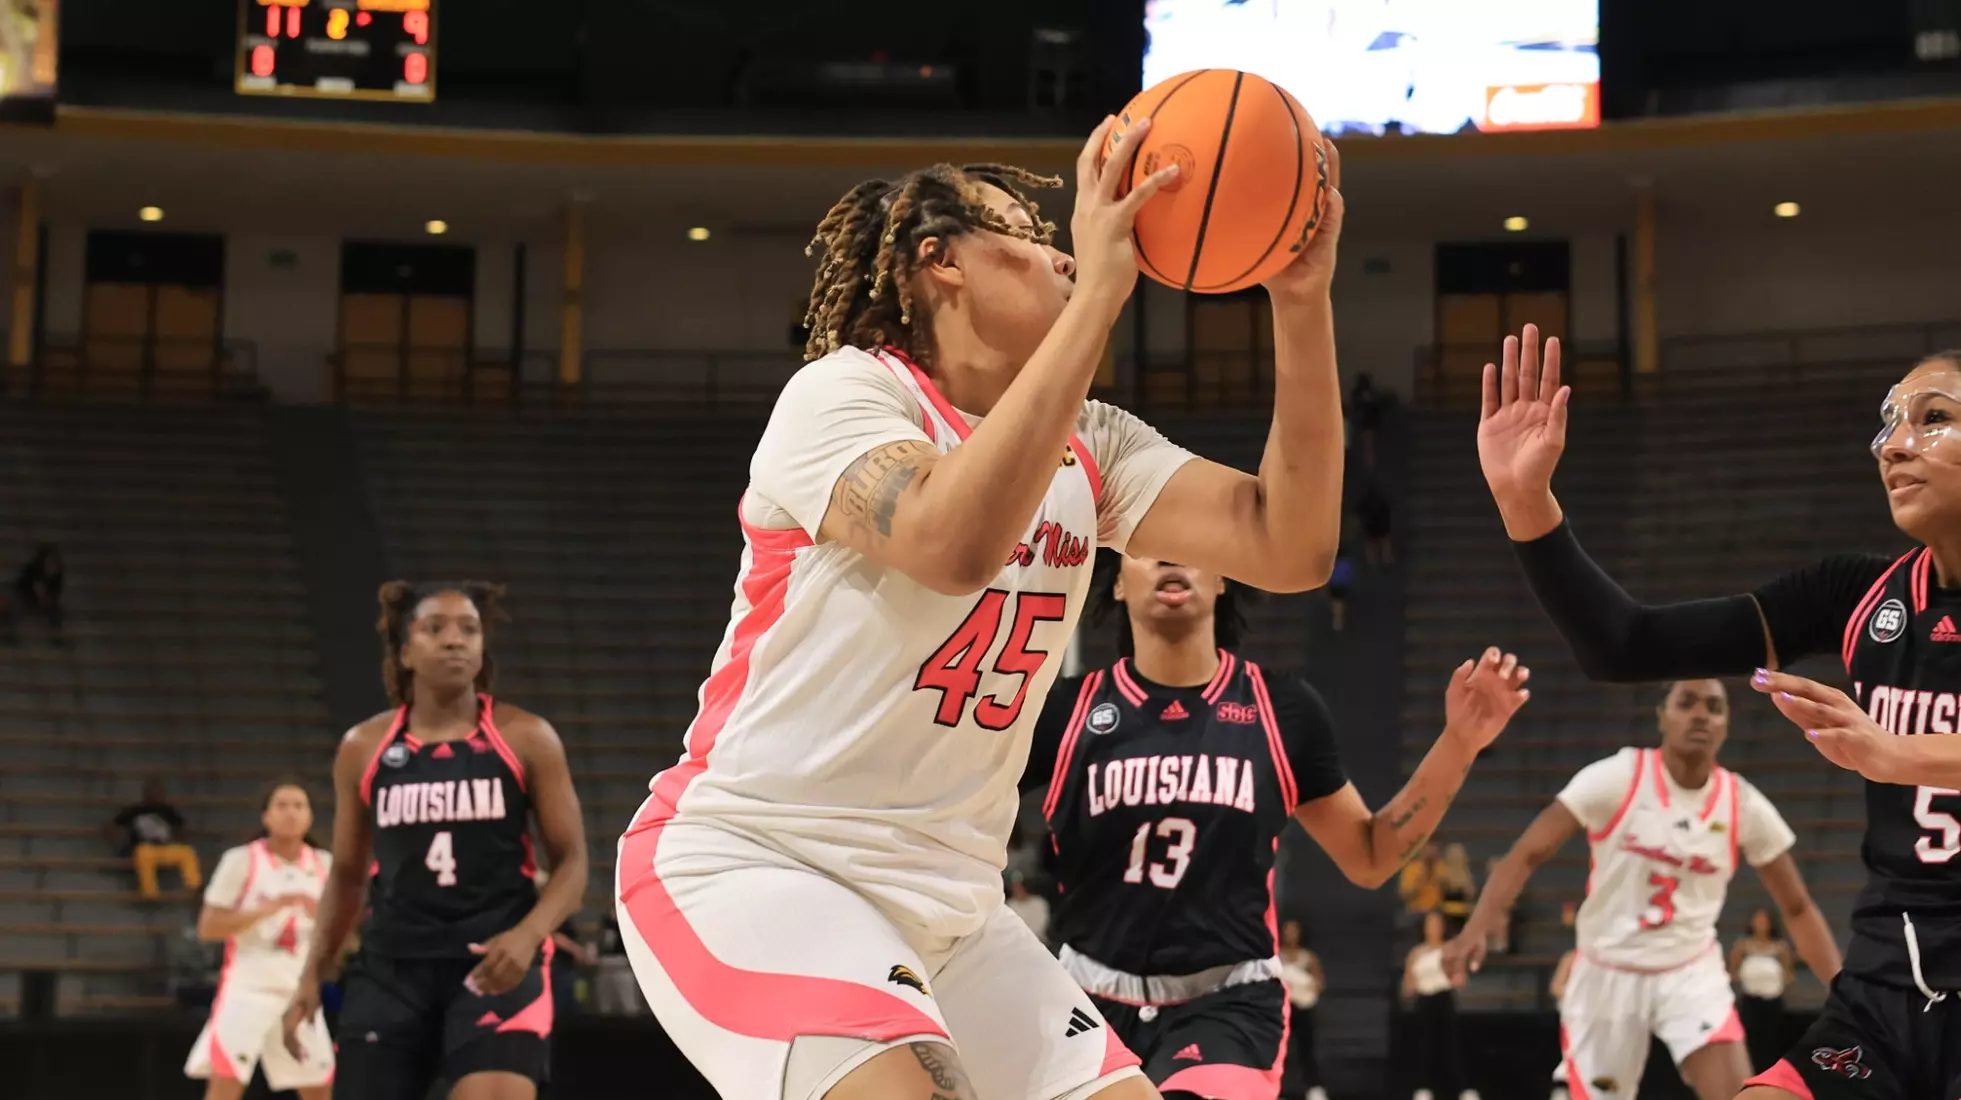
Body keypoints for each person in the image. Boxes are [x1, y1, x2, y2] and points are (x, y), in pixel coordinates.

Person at [615, 113, 1354, 1100]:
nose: (1062, 252)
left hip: (955, 909)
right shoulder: (842, 396)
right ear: (939, 262)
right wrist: (1099, 291)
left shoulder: (1095, 442)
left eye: (1065, 246)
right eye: (1029, 235)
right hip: (758, 865)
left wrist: (1298, 301)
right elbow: (951, 542)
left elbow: (1289, 542)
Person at [1470, 323, 1952, 1100]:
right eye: (1889, 422)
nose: (1893, 445)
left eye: (1931, 418)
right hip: (1886, 987)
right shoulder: (1860, 595)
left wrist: (1899, 753)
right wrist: (1525, 501)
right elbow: (1624, 645)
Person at [1026, 550, 1529, 1098]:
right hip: (1085, 997)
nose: (1173, 557)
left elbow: (1370, 855)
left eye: (1191, 544)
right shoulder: (1063, 712)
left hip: (1226, 1002)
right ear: (1117, 583)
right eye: (1149, 546)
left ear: (1221, 578)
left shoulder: (1279, 708)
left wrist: (1459, 743)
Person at [1443, 678, 1840, 1100]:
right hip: (1608, 969)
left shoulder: (1741, 802)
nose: (1701, 714)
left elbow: (1797, 907)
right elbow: (1526, 853)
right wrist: (1475, 928)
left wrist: (1845, 992)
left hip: (1690, 970)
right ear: (1662, 717)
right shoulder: (1619, 777)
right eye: (1687, 703)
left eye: (1714, 706)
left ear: (1726, 725)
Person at [281, 581, 588, 1100]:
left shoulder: (526, 737)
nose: (455, 641)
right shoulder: (363, 747)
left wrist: (529, 934)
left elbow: (574, 862)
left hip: (494, 962)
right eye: (435, 629)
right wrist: (313, 973)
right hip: (392, 969)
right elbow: (349, 874)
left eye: (469, 629)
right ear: (404, 653)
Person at [184, 781, 334, 1100]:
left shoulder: (324, 864)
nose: (291, 813)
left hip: (299, 991)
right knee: (226, 1082)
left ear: (310, 817)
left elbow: (344, 934)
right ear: (265, 816)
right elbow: (208, 926)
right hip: (247, 989)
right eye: (281, 805)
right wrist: (264, 911)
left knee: (319, 1087)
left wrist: (319, 913)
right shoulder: (241, 860)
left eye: (299, 805)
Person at [1403, 912, 1474, 1100]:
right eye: (1430, 924)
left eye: (1437, 923)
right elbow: (1408, 985)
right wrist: (1417, 986)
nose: (1433, 928)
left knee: (1452, 1046)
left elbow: (1461, 979)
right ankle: (1423, 1089)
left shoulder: (1450, 950)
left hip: (1444, 999)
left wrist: (1450, 976)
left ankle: (1464, 1089)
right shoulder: (1416, 953)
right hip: (1424, 1000)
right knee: (1423, 1046)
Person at [112, 778, 202, 898]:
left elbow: (181, 827)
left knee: (186, 852)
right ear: (145, 793)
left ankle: (194, 886)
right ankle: (150, 892)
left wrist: (178, 838)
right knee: (143, 853)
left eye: (159, 792)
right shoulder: (135, 810)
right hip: (146, 848)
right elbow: (113, 824)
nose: (156, 794)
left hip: (166, 848)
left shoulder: (168, 811)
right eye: (153, 791)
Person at [1731, 908, 1795, 1072]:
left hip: (1772, 1001)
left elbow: (1788, 974)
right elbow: (1733, 972)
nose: (1760, 924)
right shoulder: (1742, 946)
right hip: (1750, 1000)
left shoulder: (1780, 947)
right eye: (1757, 920)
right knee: (1750, 1042)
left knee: (1771, 1041)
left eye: (1763, 920)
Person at [1278, 920, 1327, 1100]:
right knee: (1277, 1051)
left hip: (1303, 1008)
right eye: (1287, 930)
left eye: (1294, 931)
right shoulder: (1275, 957)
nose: (1290, 934)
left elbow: (1319, 983)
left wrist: (1306, 984)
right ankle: (1274, 1089)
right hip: (1281, 1010)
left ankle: (1314, 1089)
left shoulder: (1308, 957)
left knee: (1306, 1050)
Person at [5, 542, 63, 643]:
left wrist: (47, 598)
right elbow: (21, 587)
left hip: (44, 602)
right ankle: (10, 637)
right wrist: (36, 591)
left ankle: (57, 638)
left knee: (57, 613)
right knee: (15, 608)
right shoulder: (32, 570)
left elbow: (55, 593)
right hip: (26, 599)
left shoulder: (57, 575)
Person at [1436, 843, 1477, 934]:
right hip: (1448, 914)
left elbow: (1471, 894)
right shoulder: (1443, 874)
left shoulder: (1467, 875)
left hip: (1463, 914)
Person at [1007, 871, 1052, 948]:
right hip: (1015, 944)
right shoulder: (1010, 905)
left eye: (1019, 887)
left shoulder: (1039, 903)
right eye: (1014, 887)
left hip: (1039, 943)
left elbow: (1040, 927)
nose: (1017, 890)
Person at [1400, 843, 1445, 918]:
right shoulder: (1411, 868)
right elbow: (1405, 895)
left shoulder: (1441, 867)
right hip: (1416, 912)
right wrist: (1421, 881)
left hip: (1437, 911)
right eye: (1428, 847)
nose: (1431, 850)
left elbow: (1448, 891)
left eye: (1433, 846)